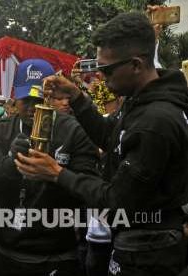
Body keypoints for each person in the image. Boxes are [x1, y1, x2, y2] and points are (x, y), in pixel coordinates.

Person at [23, 13, 188, 276]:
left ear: (136, 64)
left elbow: (117, 201)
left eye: (107, 69)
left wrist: (58, 174)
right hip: (136, 240)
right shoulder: (140, 101)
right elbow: (111, 137)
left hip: (147, 249)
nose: (100, 75)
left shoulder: (155, 121)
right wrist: (76, 97)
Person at [0, 59, 98, 276]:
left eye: (39, 99)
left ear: (51, 98)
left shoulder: (73, 131)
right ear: (14, 99)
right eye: (26, 100)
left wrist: (55, 173)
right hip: (7, 252)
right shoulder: (0, 131)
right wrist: (12, 160)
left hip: (58, 253)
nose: (33, 107)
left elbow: (90, 189)